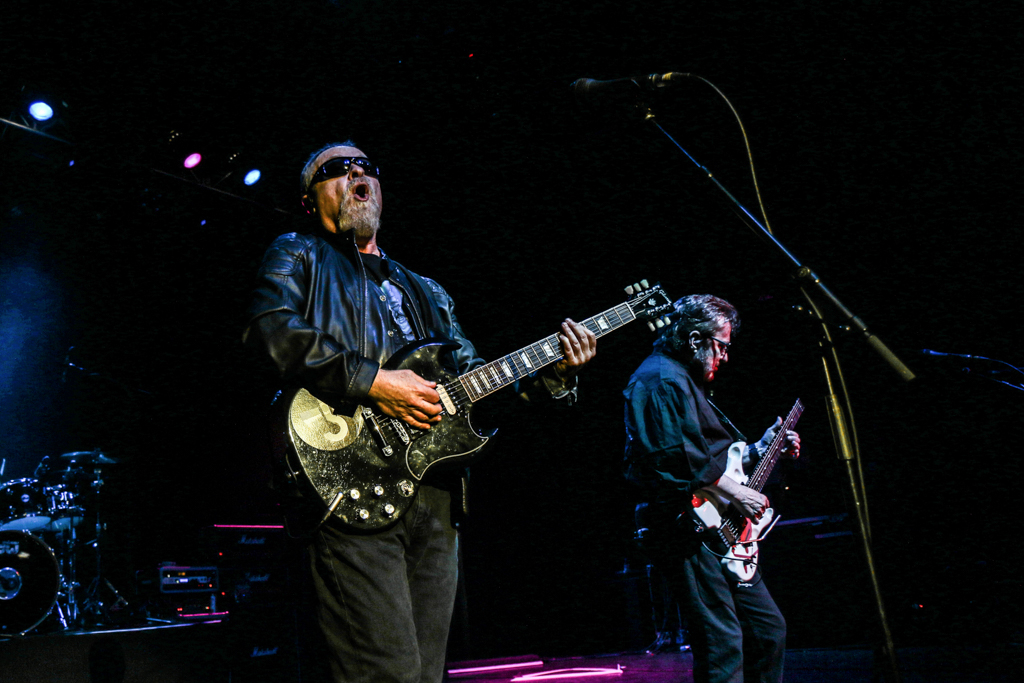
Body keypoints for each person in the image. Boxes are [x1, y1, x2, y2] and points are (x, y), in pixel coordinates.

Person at [242, 141, 596, 683]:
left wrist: (555, 374)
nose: (356, 172)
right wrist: (375, 382)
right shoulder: (299, 253)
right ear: (310, 200)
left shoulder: (426, 290)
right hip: (349, 476)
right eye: (337, 169)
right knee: (386, 672)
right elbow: (269, 329)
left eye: (366, 167)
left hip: (436, 492)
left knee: (427, 674)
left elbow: (478, 381)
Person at [622, 294, 799, 683]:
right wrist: (738, 493)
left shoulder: (682, 379)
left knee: (767, 631)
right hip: (688, 530)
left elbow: (711, 457)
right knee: (723, 647)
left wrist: (761, 449)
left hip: (718, 529)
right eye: (722, 346)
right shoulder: (660, 379)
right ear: (695, 339)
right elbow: (671, 461)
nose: (725, 356)